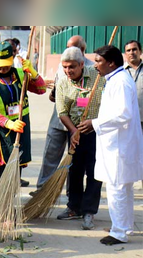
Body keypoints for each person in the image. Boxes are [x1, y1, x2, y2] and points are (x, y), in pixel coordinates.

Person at [78, 45, 143, 245]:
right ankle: (124, 226)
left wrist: (94, 123)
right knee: (123, 188)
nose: (96, 65)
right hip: (117, 144)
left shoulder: (120, 82)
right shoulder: (115, 79)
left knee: (117, 188)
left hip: (119, 146)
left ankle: (119, 232)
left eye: (99, 61)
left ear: (111, 63)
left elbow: (123, 114)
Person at [0, 41, 46, 199]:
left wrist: (33, 72)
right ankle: (0, 214)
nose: (2, 69)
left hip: (19, 134)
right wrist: (9, 123)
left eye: (6, 65)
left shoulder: (21, 75)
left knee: (14, 176)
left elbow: (41, 89)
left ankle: (8, 211)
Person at [30, 35, 94, 196]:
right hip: (59, 120)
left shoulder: (92, 70)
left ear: (82, 50)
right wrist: (54, 95)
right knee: (50, 154)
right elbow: (55, 93)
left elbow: (91, 99)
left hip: (79, 124)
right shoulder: (62, 66)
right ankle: (42, 190)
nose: (68, 70)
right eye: (67, 47)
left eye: (72, 47)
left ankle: (71, 197)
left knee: (74, 161)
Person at [55, 47, 105, 230]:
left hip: (96, 132)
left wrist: (94, 123)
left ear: (82, 64)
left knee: (94, 172)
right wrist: (74, 131)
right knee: (74, 171)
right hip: (74, 131)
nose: (68, 71)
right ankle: (74, 207)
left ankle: (89, 211)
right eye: (65, 67)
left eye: (72, 67)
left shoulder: (97, 75)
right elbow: (62, 112)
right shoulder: (62, 83)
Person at [124, 40, 143, 131]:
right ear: (125, 54)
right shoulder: (120, 72)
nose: (131, 52)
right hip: (127, 122)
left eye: (134, 49)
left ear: (140, 51)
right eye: (128, 50)